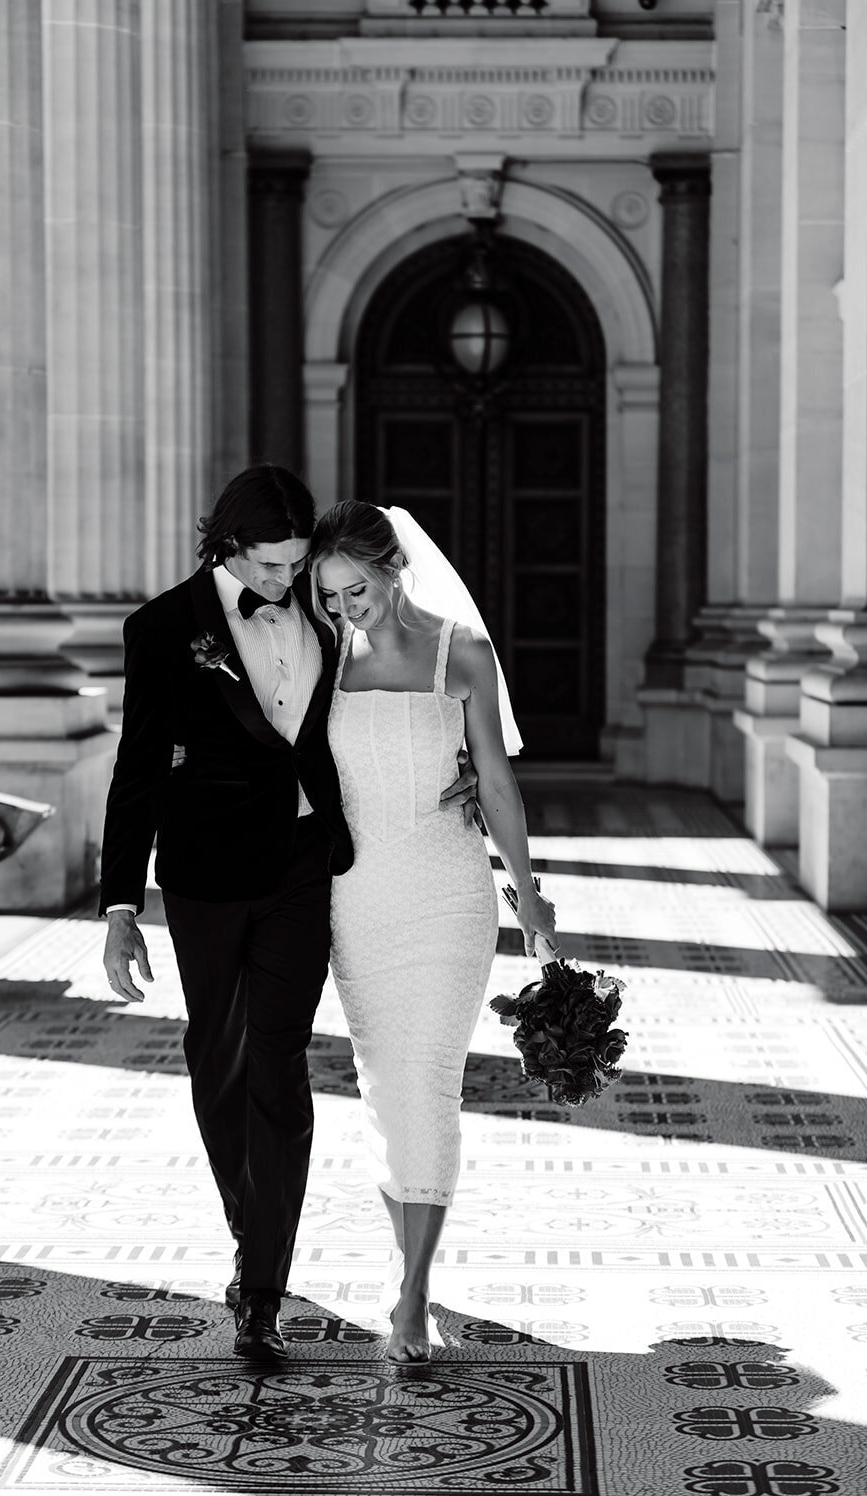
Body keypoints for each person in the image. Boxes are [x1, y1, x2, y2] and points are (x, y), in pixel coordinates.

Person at [98, 466, 475, 1364]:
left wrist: (457, 766)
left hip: (308, 873)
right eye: (270, 567)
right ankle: (248, 1224)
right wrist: (120, 904)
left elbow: (406, 688)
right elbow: (137, 766)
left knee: (277, 1062)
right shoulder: (160, 627)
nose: (287, 582)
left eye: (295, 565)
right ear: (226, 547)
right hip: (203, 878)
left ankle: (260, 1281)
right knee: (216, 1065)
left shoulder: (323, 611)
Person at [311, 499, 557, 1364]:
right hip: (358, 897)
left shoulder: (463, 652)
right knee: (385, 1086)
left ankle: (412, 1293)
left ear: (390, 570)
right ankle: (403, 1263)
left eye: (357, 589)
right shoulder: (323, 656)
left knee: (430, 1082)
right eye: (331, 595)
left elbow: (494, 780)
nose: (346, 608)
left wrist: (529, 895)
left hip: (449, 893)